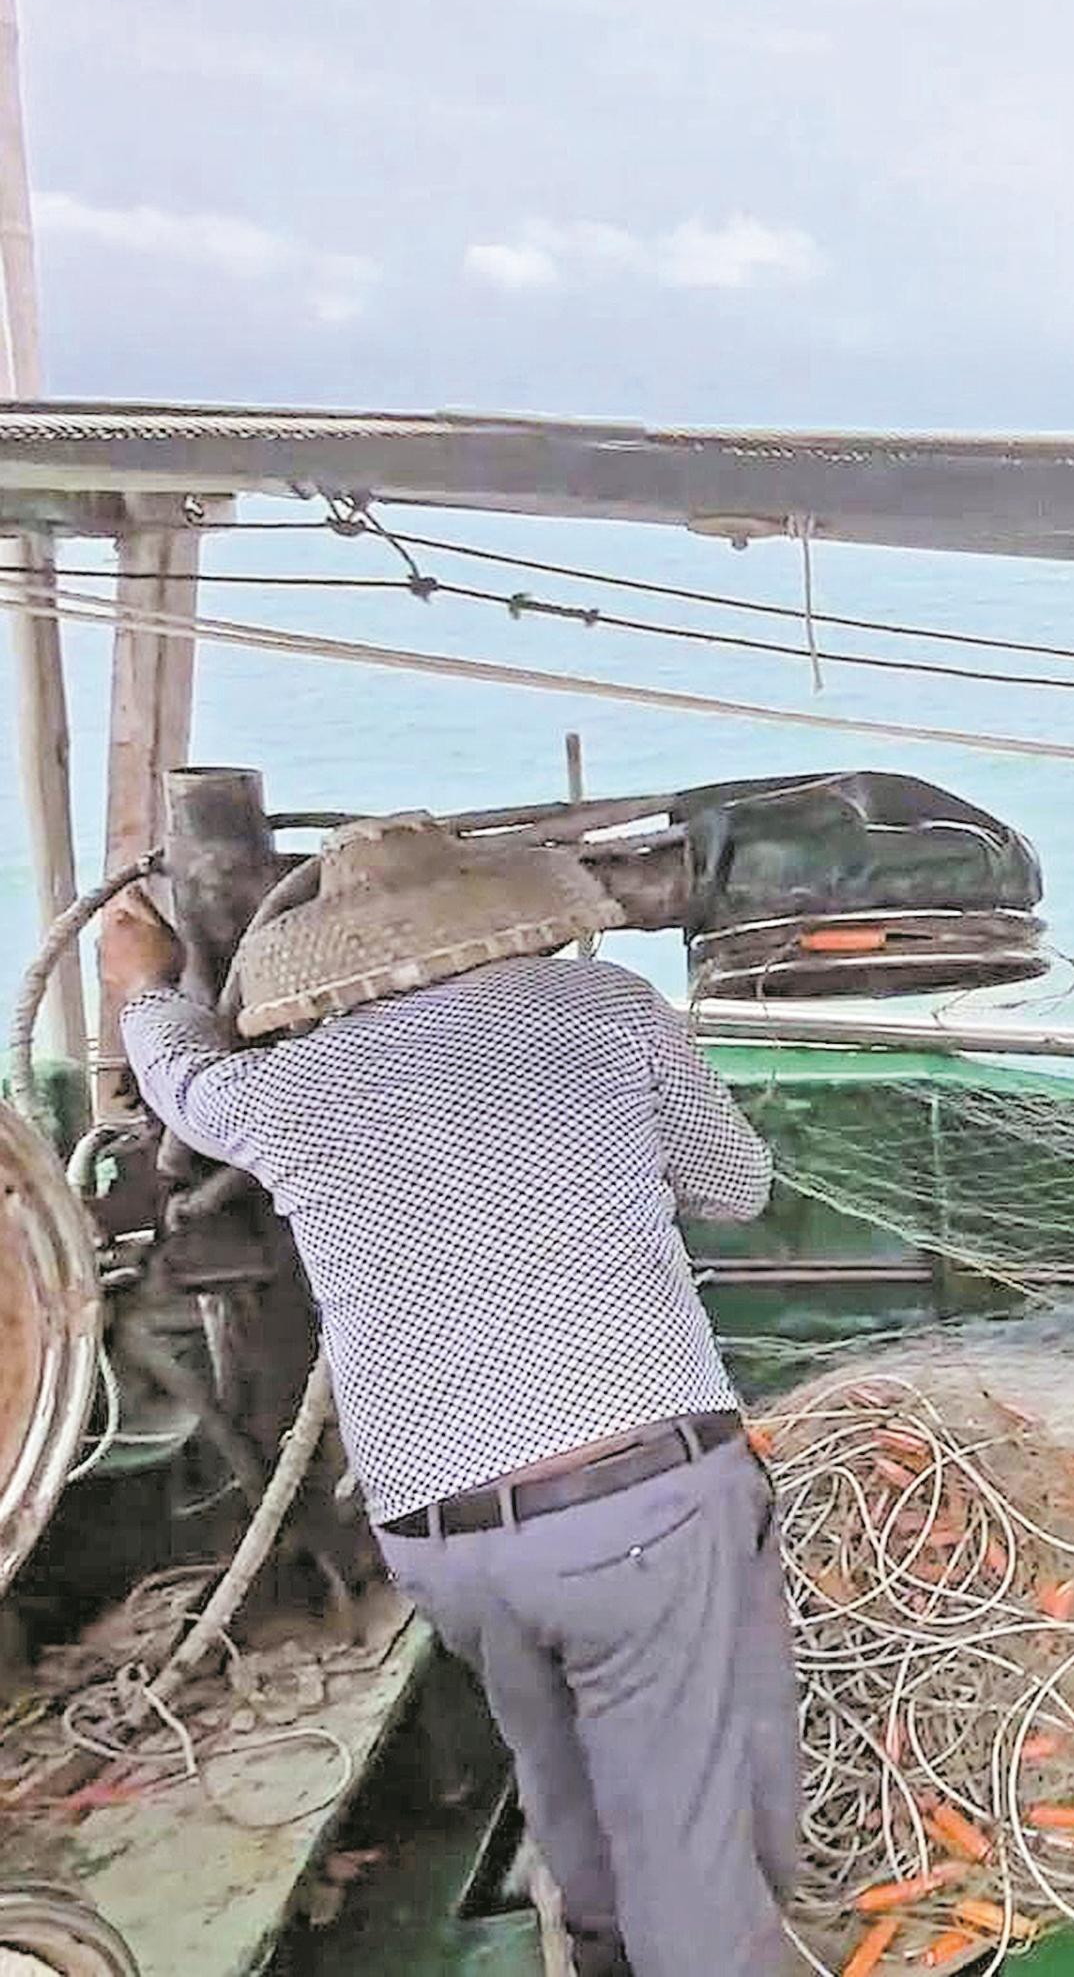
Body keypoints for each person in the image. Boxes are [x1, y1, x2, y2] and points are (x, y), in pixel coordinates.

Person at [98, 815, 798, 1977]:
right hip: (643, 1516)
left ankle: (594, 1951)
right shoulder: (606, 1011)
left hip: (444, 1545)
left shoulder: (283, 1090)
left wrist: (146, 983)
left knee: (561, 1780)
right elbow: (736, 1187)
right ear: (502, 912)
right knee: (694, 1833)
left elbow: (179, 1082)